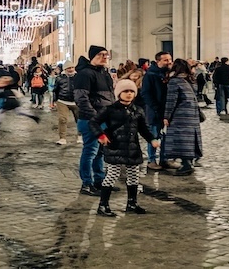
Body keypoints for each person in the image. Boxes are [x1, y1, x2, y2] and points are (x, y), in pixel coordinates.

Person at [89, 79, 158, 217]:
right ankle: (103, 205)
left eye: (132, 91)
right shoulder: (109, 110)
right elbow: (93, 122)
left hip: (132, 148)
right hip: (114, 147)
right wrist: (101, 135)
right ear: (119, 93)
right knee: (112, 175)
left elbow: (143, 129)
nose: (129, 94)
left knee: (134, 176)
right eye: (125, 91)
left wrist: (152, 139)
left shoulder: (138, 110)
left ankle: (132, 203)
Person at [73, 45, 115, 194]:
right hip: (91, 120)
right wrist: (95, 116)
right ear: (92, 57)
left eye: (106, 55)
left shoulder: (105, 73)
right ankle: (87, 183)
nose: (104, 57)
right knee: (90, 151)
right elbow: (81, 98)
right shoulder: (85, 74)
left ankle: (99, 180)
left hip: (104, 118)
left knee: (100, 152)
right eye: (100, 55)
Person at [163, 58, 203, 175]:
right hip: (192, 114)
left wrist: (167, 116)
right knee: (189, 139)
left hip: (180, 115)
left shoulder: (175, 81)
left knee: (180, 139)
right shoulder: (190, 80)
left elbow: (171, 101)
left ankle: (186, 164)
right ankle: (189, 161)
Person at [140, 52, 172, 169]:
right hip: (154, 111)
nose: (169, 62)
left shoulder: (168, 74)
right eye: (165, 60)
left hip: (166, 111)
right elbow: (146, 93)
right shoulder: (150, 75)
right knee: (153, 136)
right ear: (158, 61)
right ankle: (151, 160)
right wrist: (155, 107)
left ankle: (164, 159)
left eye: (169, 59)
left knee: (166, 137)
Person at [53, 64, 77, 145]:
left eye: (72, 67)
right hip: (62, 101)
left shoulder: (79, 77)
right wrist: (55, 100)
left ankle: (80, 136)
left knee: (80, 120)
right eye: (69, 67)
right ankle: (62, 138)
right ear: (65, 69)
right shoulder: (59, 78)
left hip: (77, 102)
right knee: (62, 119)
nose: (71, 69)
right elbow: (55, 89)